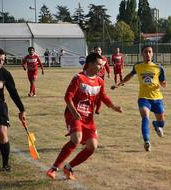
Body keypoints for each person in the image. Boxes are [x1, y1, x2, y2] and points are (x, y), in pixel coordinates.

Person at [46, 52, 122, 180]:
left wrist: (114, 107)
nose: (101, 67)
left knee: (92, 146)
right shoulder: (79, 78)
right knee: (76, 139)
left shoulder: (100, 81)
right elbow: (68, 97)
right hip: (73, 114)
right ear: (90, 64)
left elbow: (103, 97)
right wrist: (74, 112)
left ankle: (68, 168)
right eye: (99, 64)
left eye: (102, 65)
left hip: (88, 118)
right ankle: (54, 168)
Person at [112, 45, 167, 152]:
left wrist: (162, 83)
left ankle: (156, 125)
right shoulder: (138, 66)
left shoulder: (159, 68)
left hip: (157, 98)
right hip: (143, 98)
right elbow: (129, 75)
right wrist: (120, 83)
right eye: (145, 52)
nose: (148, 54)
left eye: (150, 52)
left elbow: (163, 83)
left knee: (162, 123)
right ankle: (147, 141)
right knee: (145, 117)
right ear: (142, 54)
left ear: (153, 54)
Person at [0, 48, 26, 172]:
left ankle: (5, 164)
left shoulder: (5, 74)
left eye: (2, 60)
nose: (0, 62)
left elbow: (13, 92)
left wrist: (22, 109)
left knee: (1, 134)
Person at [91, 46, 111, 114]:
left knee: (100, 95)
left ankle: (98, 109)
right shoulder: (92, 59)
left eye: (99, 50)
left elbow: (107, 66)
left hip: (101, 79)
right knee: (92, 94)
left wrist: (109, 73)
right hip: (93, 78)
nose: (98, 51)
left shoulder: (104, 58)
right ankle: (91, 108)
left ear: (101, 51)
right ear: (94, 51)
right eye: (96, 50)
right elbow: (86, 67)